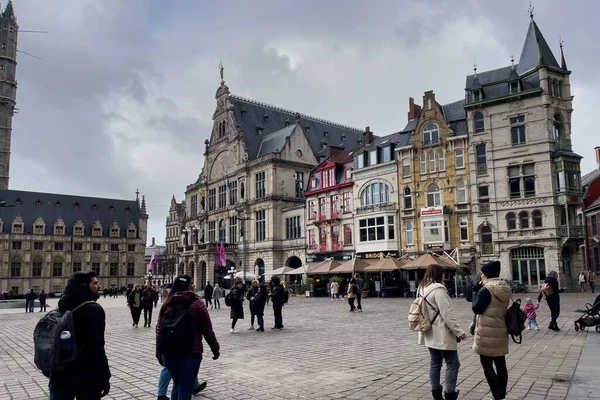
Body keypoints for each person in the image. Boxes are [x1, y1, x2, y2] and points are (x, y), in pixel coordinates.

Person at [155, 275, 219, 400]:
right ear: (188, 286)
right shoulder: (197, 305)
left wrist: (159, 352)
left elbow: (159, 330)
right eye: (192, 284)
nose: (194, 286)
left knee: (178, 385)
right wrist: (215, 349)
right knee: (184, 391)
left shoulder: (167, 303)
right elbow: (208, 331)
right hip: (190, 353)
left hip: (168, 353)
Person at [48, 271, 111, 400]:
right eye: (95, 283)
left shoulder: (61, 307)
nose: (99, 286)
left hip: (60, 375)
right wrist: (105, 376)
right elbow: (97, 348)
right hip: (86, 376)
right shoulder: (93, 310)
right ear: (84, 286)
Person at [417, 264, 465, 400]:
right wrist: (458, 331)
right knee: (452, 362)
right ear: (439, 274)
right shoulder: (439, 290)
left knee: (435, 361)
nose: (445, 275)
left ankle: (436, 394)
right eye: (443, 273)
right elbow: (447, 314)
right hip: (441, 332)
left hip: (428, 331)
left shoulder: (421, 288)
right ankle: (450, 394)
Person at [472, 260, 511, 400]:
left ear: (486, 274)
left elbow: (476, 308)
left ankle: (497, 394)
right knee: (500, 363)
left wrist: (477, 290)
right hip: (500, 329)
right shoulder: (505, 287)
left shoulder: (486, 289)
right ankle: (502, 393)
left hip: (487, 331)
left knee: (487, 364)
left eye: (482, 273)